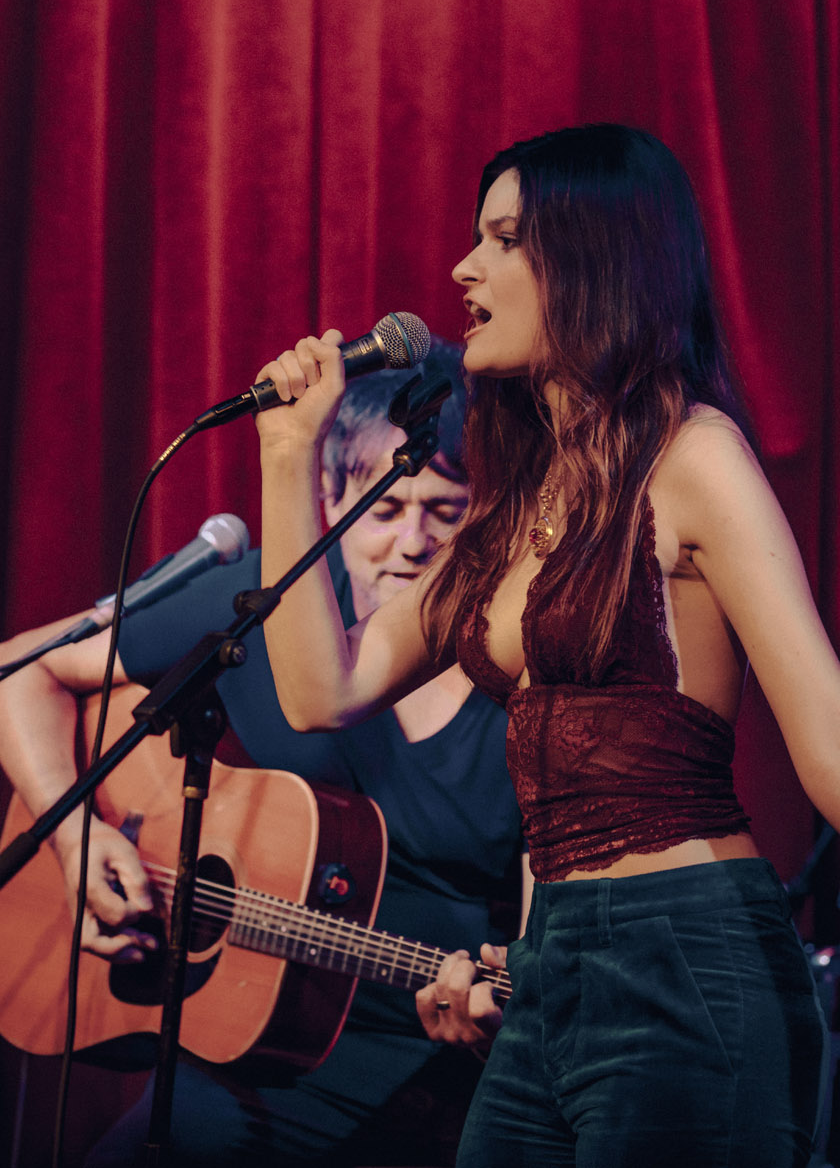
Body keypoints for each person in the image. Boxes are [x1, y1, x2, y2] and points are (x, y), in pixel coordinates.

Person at [253, 123, 838, 1168]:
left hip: (686, 951)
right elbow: (319, 690)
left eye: (504, 239)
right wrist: (288, 455)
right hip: (547, 965)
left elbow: (829, 748)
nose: (462, 268)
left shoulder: (693, 455)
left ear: (594, 262)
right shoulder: (515, 510)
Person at [0, 339, 524, 1167]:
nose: (411, 542)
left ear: (489, 512)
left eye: (444, 511)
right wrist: (77, 841)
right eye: (384, 510)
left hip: (435, 1074)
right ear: (332, 498)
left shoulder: (523, 667)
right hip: (252, 1064)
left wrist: (501, 1013)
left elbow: (554, 937)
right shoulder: (266, 598)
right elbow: (19, 672)